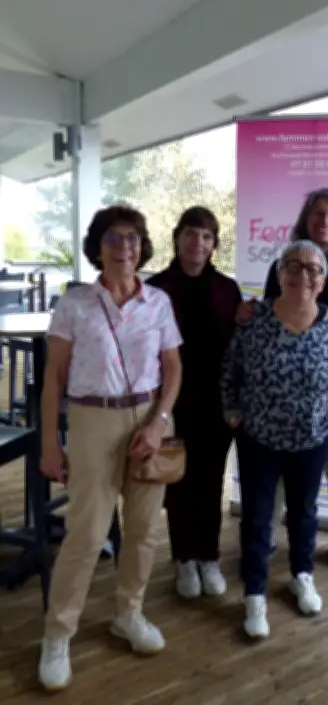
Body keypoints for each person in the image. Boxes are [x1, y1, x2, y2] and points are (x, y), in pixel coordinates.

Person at [38, 206, 183, 692]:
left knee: (142, 531)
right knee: (86, 533)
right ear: (97, 247)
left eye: (134, 238)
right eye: (115, 238)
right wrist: (49, 444)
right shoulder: (75, 304)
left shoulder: (158, 302)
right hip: (91, 420)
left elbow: (174, 369)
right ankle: (58, 634)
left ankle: (129, 613)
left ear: (143, 246)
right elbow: (53, 380)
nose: (126, 246)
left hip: (148, 419)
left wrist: (159, 422)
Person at [222, 240, 328, 638]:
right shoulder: (255, 319)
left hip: (312, 443)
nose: (303, 275)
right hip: (259, 440)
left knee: (302, 515)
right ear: (280, 274)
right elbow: (230, 371)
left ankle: (302, 575)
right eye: (293, 267)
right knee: (258, 519)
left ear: (323, 279)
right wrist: (232, 412)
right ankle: (255, 594)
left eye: (313, 269)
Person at [236, 188, 328, 579]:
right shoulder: (285, 261)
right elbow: (267, 312)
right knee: (278, 468)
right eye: (318, 214)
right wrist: (247, 312)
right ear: (306, 219)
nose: (325, 221)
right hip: (281, 392)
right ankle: (272, 535)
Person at [147, 206, 242, 599]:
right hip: (170, 401)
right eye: (190, 233)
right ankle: (184, 558)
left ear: (214, 244)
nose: (197, 242)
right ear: (177, 237)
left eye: (206, 236)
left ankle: (209, 556)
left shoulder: (227, 289)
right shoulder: (155, 288)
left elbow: (238, 349)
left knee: (210, 479)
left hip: (215, 403)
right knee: (177, 481)